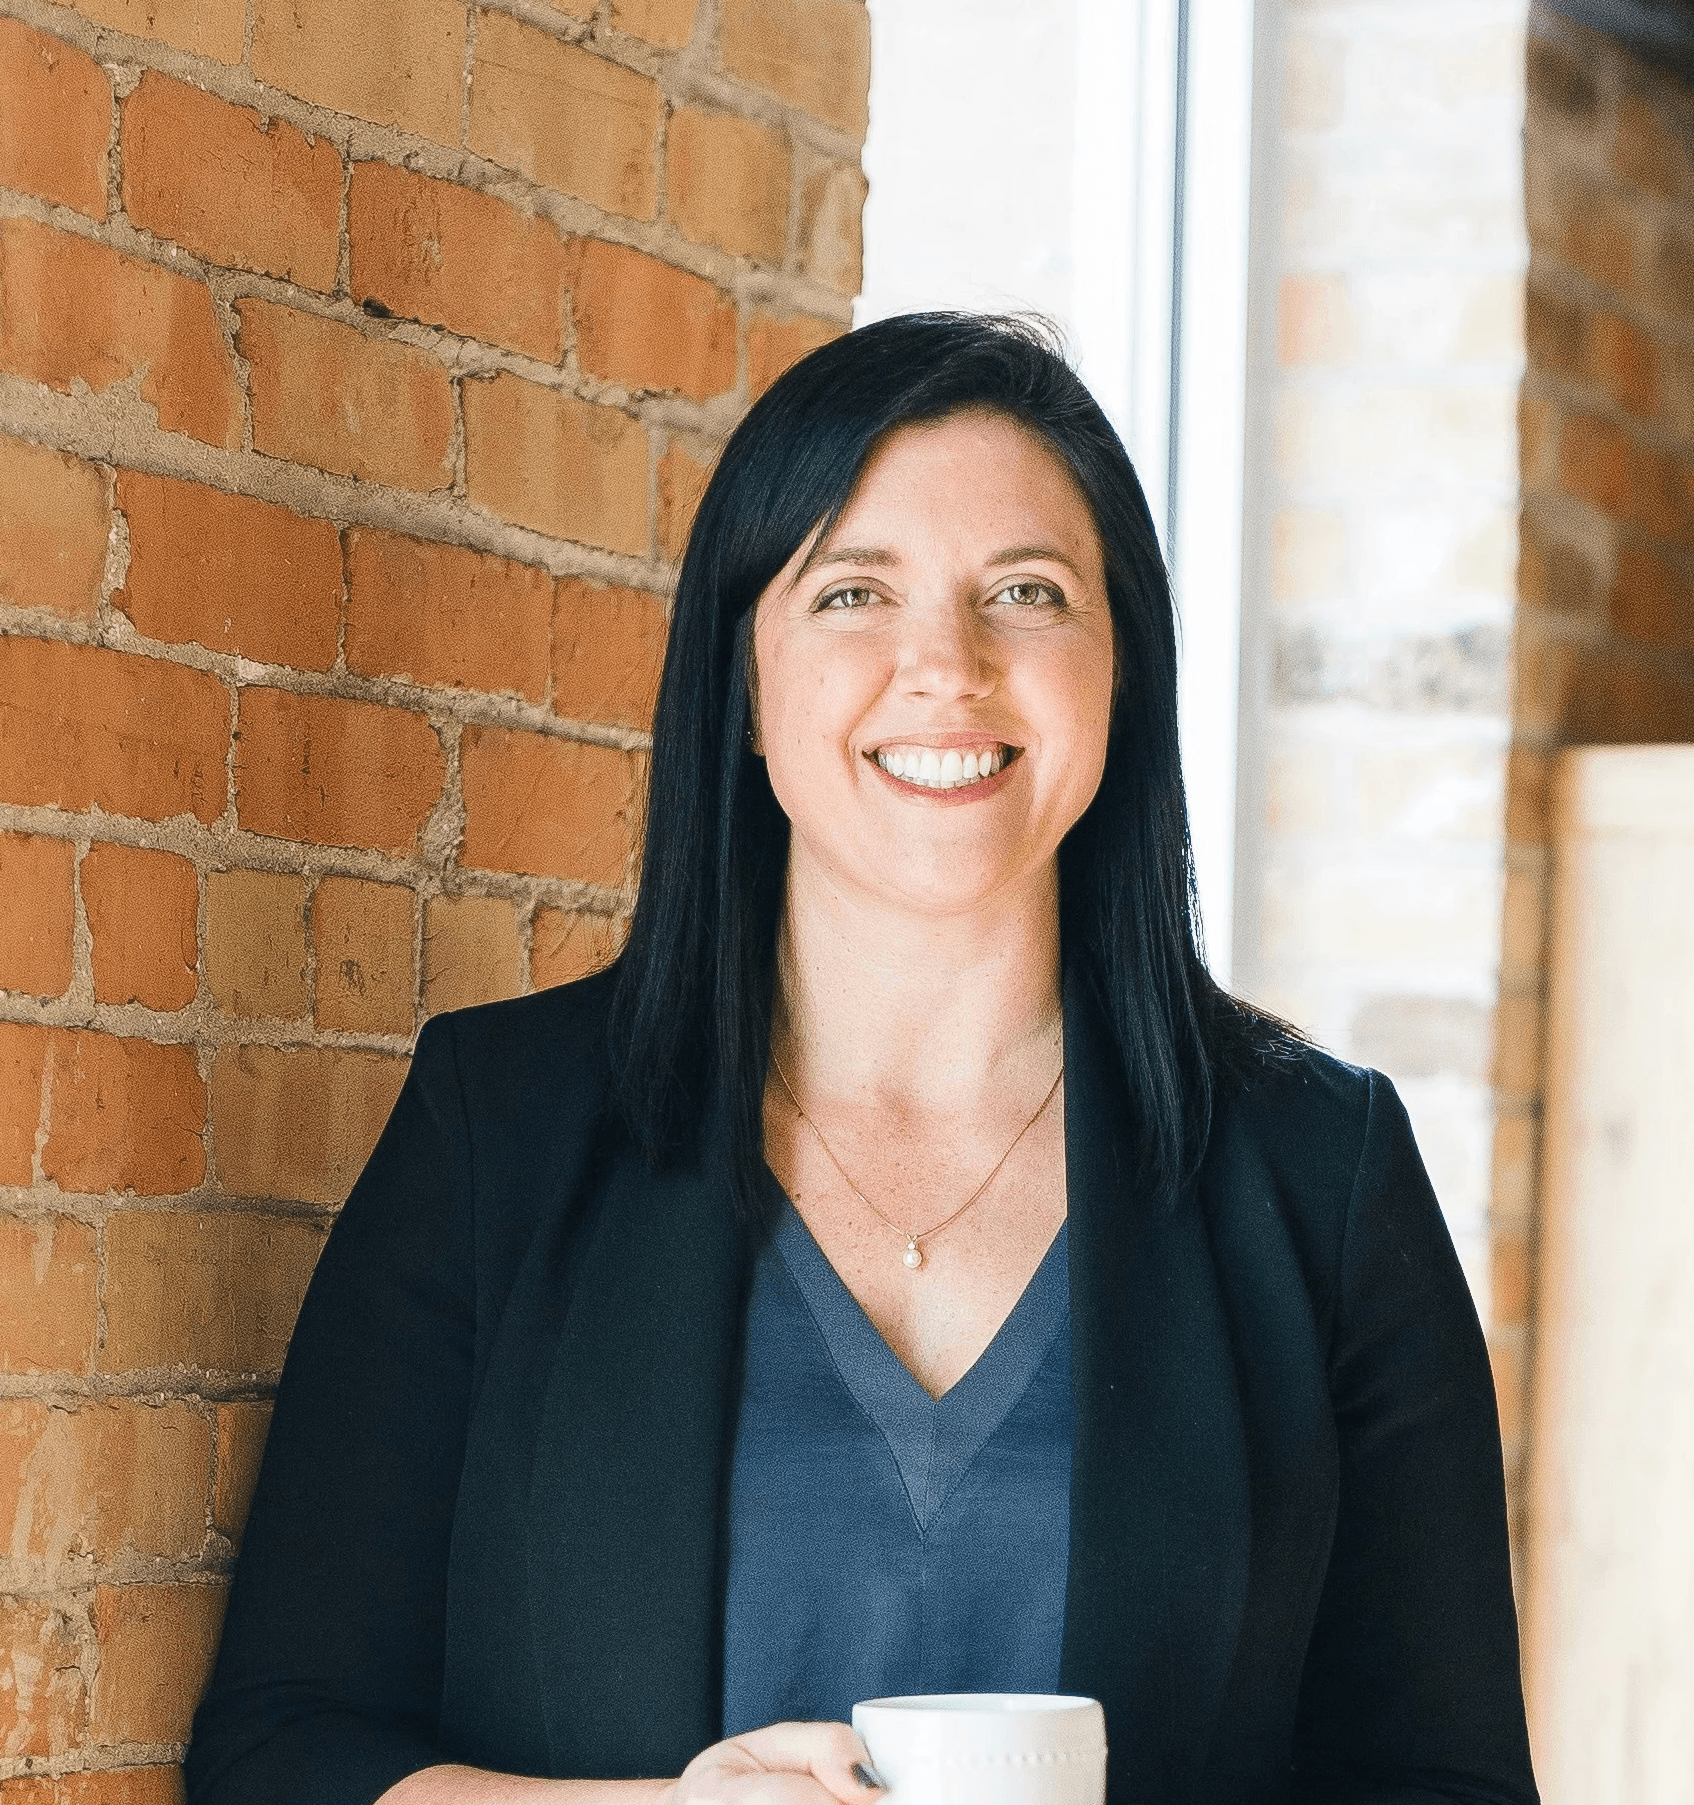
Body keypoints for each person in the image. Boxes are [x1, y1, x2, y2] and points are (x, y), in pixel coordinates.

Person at [185, 314, 1538, 1805]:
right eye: (851, 594)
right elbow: (278, 1754)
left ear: (1121, 674)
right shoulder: (496, 1132)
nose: (943, 669)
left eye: (1025, 594)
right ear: (746, 687)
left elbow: (1445, 1778)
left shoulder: (1321, 1176)